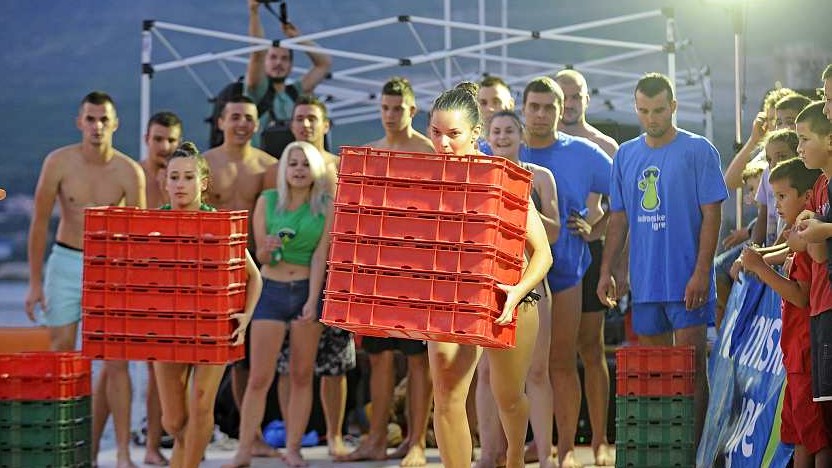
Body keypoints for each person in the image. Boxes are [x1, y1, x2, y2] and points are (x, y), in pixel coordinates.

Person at [597, 73, 728, 447]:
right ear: (636, 108)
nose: (651, 118)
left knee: (691, 367)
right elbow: (619, 218)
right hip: (646, 282)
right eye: (643, 111)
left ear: (673, 106)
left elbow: (712, 215)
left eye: (658, 110)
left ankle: (695, 451)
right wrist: (608, 270)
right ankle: (666, 449)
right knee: (657, 369)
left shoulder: (698, 150)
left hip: (687, 279)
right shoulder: (626, 154)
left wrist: (701, 271)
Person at [427, 82, 553, 468]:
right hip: (450, 299)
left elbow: (542, 253)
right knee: (446, 392)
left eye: (453, 134)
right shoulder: (424, 178)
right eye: (435, 132)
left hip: (508, 297)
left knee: (509, 398)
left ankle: (514, 456)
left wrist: (516, 292)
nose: (443, 143)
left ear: (475, 133)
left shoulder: (502, 178)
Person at [24, 91, 145, 468]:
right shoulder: (58, 162)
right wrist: (34, 282)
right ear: (79, 122)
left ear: (115, 124)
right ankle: (62, 445)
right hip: (65, 261)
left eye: (104, 119)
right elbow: (39, 223)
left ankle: (122, 452)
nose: (97, 126)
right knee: (61, 354)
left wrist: (136, 286)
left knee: (117, 361)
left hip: (111, 267)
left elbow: (139, 237)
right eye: (90, 119)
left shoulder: (129, 172)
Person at [336, 77, 433, 466]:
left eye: (398, 108)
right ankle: (375, 438)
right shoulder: (370, 154)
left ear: (413, 110)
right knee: (378, 357)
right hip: (378, 271)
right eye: (385, 108)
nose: (391, 115)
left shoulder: (428, 152)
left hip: (418, 270)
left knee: (417, 358)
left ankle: (416, 441)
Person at [518, 76, 612, 468]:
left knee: (563, 361)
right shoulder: (506, 146)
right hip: (517, 273)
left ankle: (569, 447)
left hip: (567, 271)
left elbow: (624, 197)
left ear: (561, 111)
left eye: (549, 107)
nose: (541, 114)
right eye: (534, 107)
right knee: (520, 368)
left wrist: (598, 229)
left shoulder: (585, 152)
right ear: (523, 109)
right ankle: (530, 444)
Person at [154, 142, 262, 468]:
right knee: (173, 420)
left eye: (188, 177)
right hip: (167, 328)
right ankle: (182, 457)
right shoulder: (153, 224)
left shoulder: (220, 224)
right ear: (165, 182)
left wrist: (246, 317)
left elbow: (254, 276)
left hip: (213, 326)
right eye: (174, 177)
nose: (180, 184)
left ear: (202, 183)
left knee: (202, 404)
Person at [225, 141, 332, 468]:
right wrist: (268, 249)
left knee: (301, 375)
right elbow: (260, 257)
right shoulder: (267, 201)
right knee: (259, 377)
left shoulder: (326, 206)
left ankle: (293, 449)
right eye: (293, 163)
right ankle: (244, 450)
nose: (299, 170)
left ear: (316, 170)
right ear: (284, 168)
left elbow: (320, 257)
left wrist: (313, 300)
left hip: (305, 290)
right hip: (270, 290)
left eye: (305, 164)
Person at [474, 110, 559, 468]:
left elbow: (553, 233)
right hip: (489, 286)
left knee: (537, 372)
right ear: (486, 137)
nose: (503, 136)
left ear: (521, 135)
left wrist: (522, 209)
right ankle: (489, 454)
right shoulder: (479, 176)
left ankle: (545, 455)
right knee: (487, 374)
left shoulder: (540, 177)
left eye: (509, 130)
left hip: (530, 283)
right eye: (496, 131)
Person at [273, 96, 355, 458]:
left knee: (335, 364)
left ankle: (335, 435)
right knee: (287, 363)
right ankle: (292, 433)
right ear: (292, 125)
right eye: (300, 118)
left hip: (336, 274)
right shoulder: (282, 168)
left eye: (312, 118)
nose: (306, 124)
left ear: (326, 125)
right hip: (292, 277)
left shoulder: (340, 167)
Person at [739, 158, 831, 467]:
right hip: (794, 355)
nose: (776, 204)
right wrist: (761, 258)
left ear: (807, 197)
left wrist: (759, 267)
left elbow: (800, 296)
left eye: (782, 196)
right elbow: (784, 252)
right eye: (773, 196)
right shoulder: (796, 238)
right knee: (798, 435)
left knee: (817, 437)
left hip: (805, 353)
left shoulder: (806, 241)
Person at [203, 95, 278, 458]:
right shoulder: (204, 164)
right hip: (211, 269)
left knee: (248, 357)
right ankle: (194, 428)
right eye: (234, 117)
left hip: (253, 269)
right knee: (211, 354)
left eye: (248, 117)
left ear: (257, 124)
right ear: (220, 122)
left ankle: (253, 433)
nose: (242, 124)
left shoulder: (268, 167)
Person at [554, 68, 619, 466]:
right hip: (550, 254)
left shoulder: (604, 145)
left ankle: (599, 440)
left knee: (591, 348)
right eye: (564, 96)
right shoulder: (537, 143)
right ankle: (551, 440)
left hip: (590, 252)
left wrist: (597, 233)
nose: (570, 103)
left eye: (576, 95)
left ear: (586, 99)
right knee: (549, 353)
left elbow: (622, 205)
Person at [134, 110, 183, 467]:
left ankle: (170, 441)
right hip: (141, 283)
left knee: (169, 371)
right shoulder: (132, 174)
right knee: (132, 369)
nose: (164, 146)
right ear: (146, 140)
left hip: (178, 284)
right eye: (158, 139)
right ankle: (144, 444)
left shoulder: (183, 179)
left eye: (171, 140)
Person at [245, 0, 331, 153]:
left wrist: (298, 38)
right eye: (273, 58)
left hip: (295, 162)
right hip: (265, 162)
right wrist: (254, 13)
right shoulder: (256, 89)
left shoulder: (295, 92)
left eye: (284, 59)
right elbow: (257, 53)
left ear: (291, 65)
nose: (278, 63)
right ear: (265, 62)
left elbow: (324, 64)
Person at [794, 102, 832, 408]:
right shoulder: (821, 184)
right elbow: (814, 251)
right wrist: (812, 227)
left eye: (804, 139)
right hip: (822, 306)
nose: (799, 149)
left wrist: (820, 228)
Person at [476, 75, 515, 155]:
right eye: (483, 103)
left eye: (496, 102)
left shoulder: (526, 145)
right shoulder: (469, 147)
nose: (490, 108)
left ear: (510, 105)